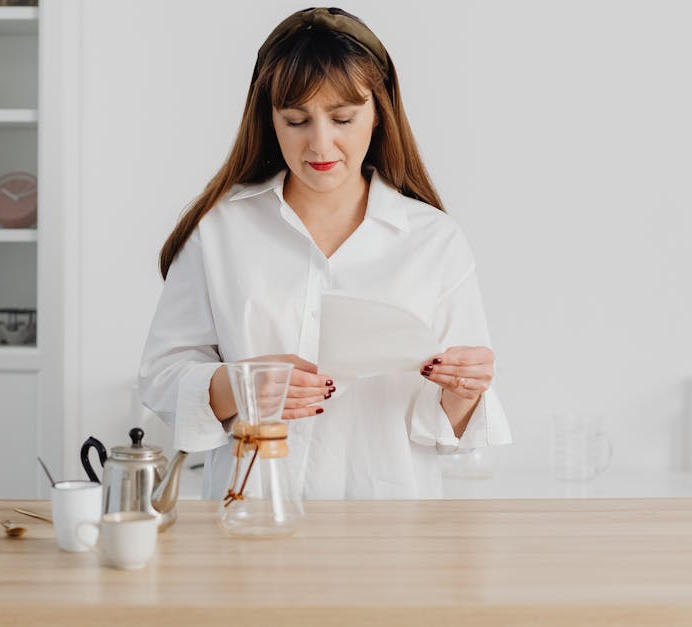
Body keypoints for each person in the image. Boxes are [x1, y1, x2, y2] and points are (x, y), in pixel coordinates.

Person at [138, 7, 512, 500]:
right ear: (269, 119)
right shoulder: (221, 230)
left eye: (342, 118)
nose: (320, 143)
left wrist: (465, 390)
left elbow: (449, 429)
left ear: (378, 114)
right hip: (251, 518)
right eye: (296, 120)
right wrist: (241, 384)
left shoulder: (433, 240)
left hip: (388, 530)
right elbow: (161, 378)